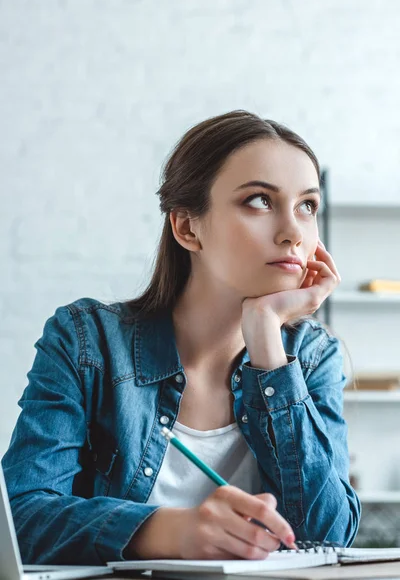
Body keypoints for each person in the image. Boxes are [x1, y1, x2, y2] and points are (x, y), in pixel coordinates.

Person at [2, 110, 361, 565]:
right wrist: (170, 530)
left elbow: (329, 536)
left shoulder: (309, 358)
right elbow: (20, 517)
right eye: (259, 201)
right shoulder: (86, 342)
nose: (293, 232)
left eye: (307, 205)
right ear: (187, 228)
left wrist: (269, 350)